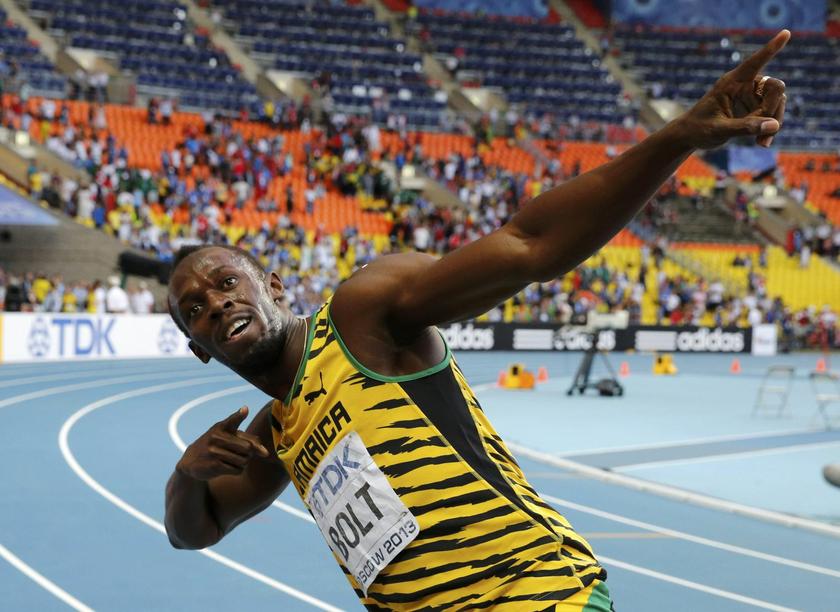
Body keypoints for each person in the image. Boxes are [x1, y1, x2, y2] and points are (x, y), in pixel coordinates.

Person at [164, 31, 790, 611]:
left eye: (227, 282)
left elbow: (530, 245)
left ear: (273, 286)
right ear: (197, 347)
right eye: (195, 309)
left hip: (537, 596)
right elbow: (196, 530)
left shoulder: (360, 316)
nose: (216, 303)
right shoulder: (280, 432)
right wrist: (186, 475)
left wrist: (679, 137)